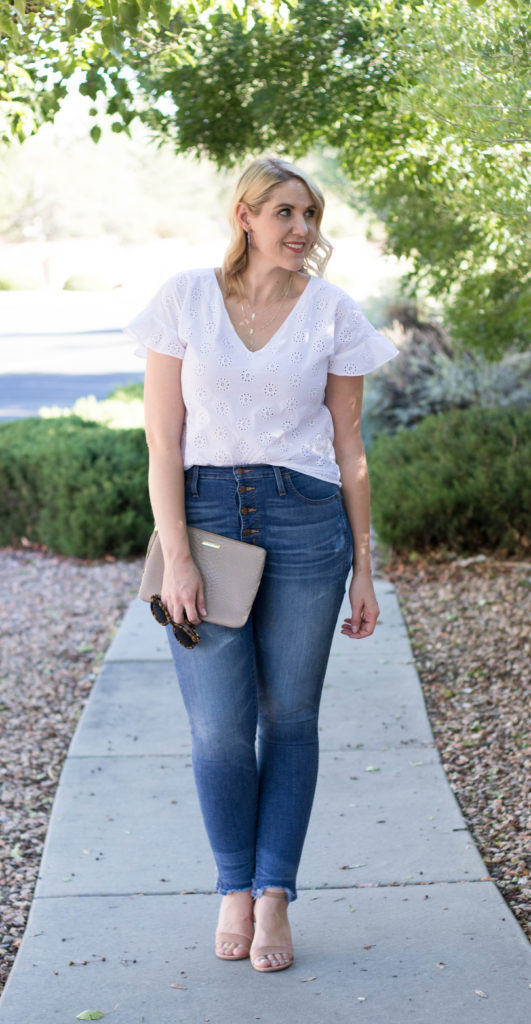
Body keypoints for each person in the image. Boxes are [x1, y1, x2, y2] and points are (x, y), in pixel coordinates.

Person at [126, 156, 399, 973]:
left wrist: (363, 568)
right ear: (243, 216)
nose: (301, 229)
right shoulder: (184, 299)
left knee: (289, 720)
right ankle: (232, 888)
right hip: (206, 519)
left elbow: (350, 450)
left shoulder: (332, 312)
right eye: (284, 212)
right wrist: (177, 556)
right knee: (217, 726)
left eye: (309, 214)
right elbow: (162, 441)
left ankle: (273, 892)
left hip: (307, 522)